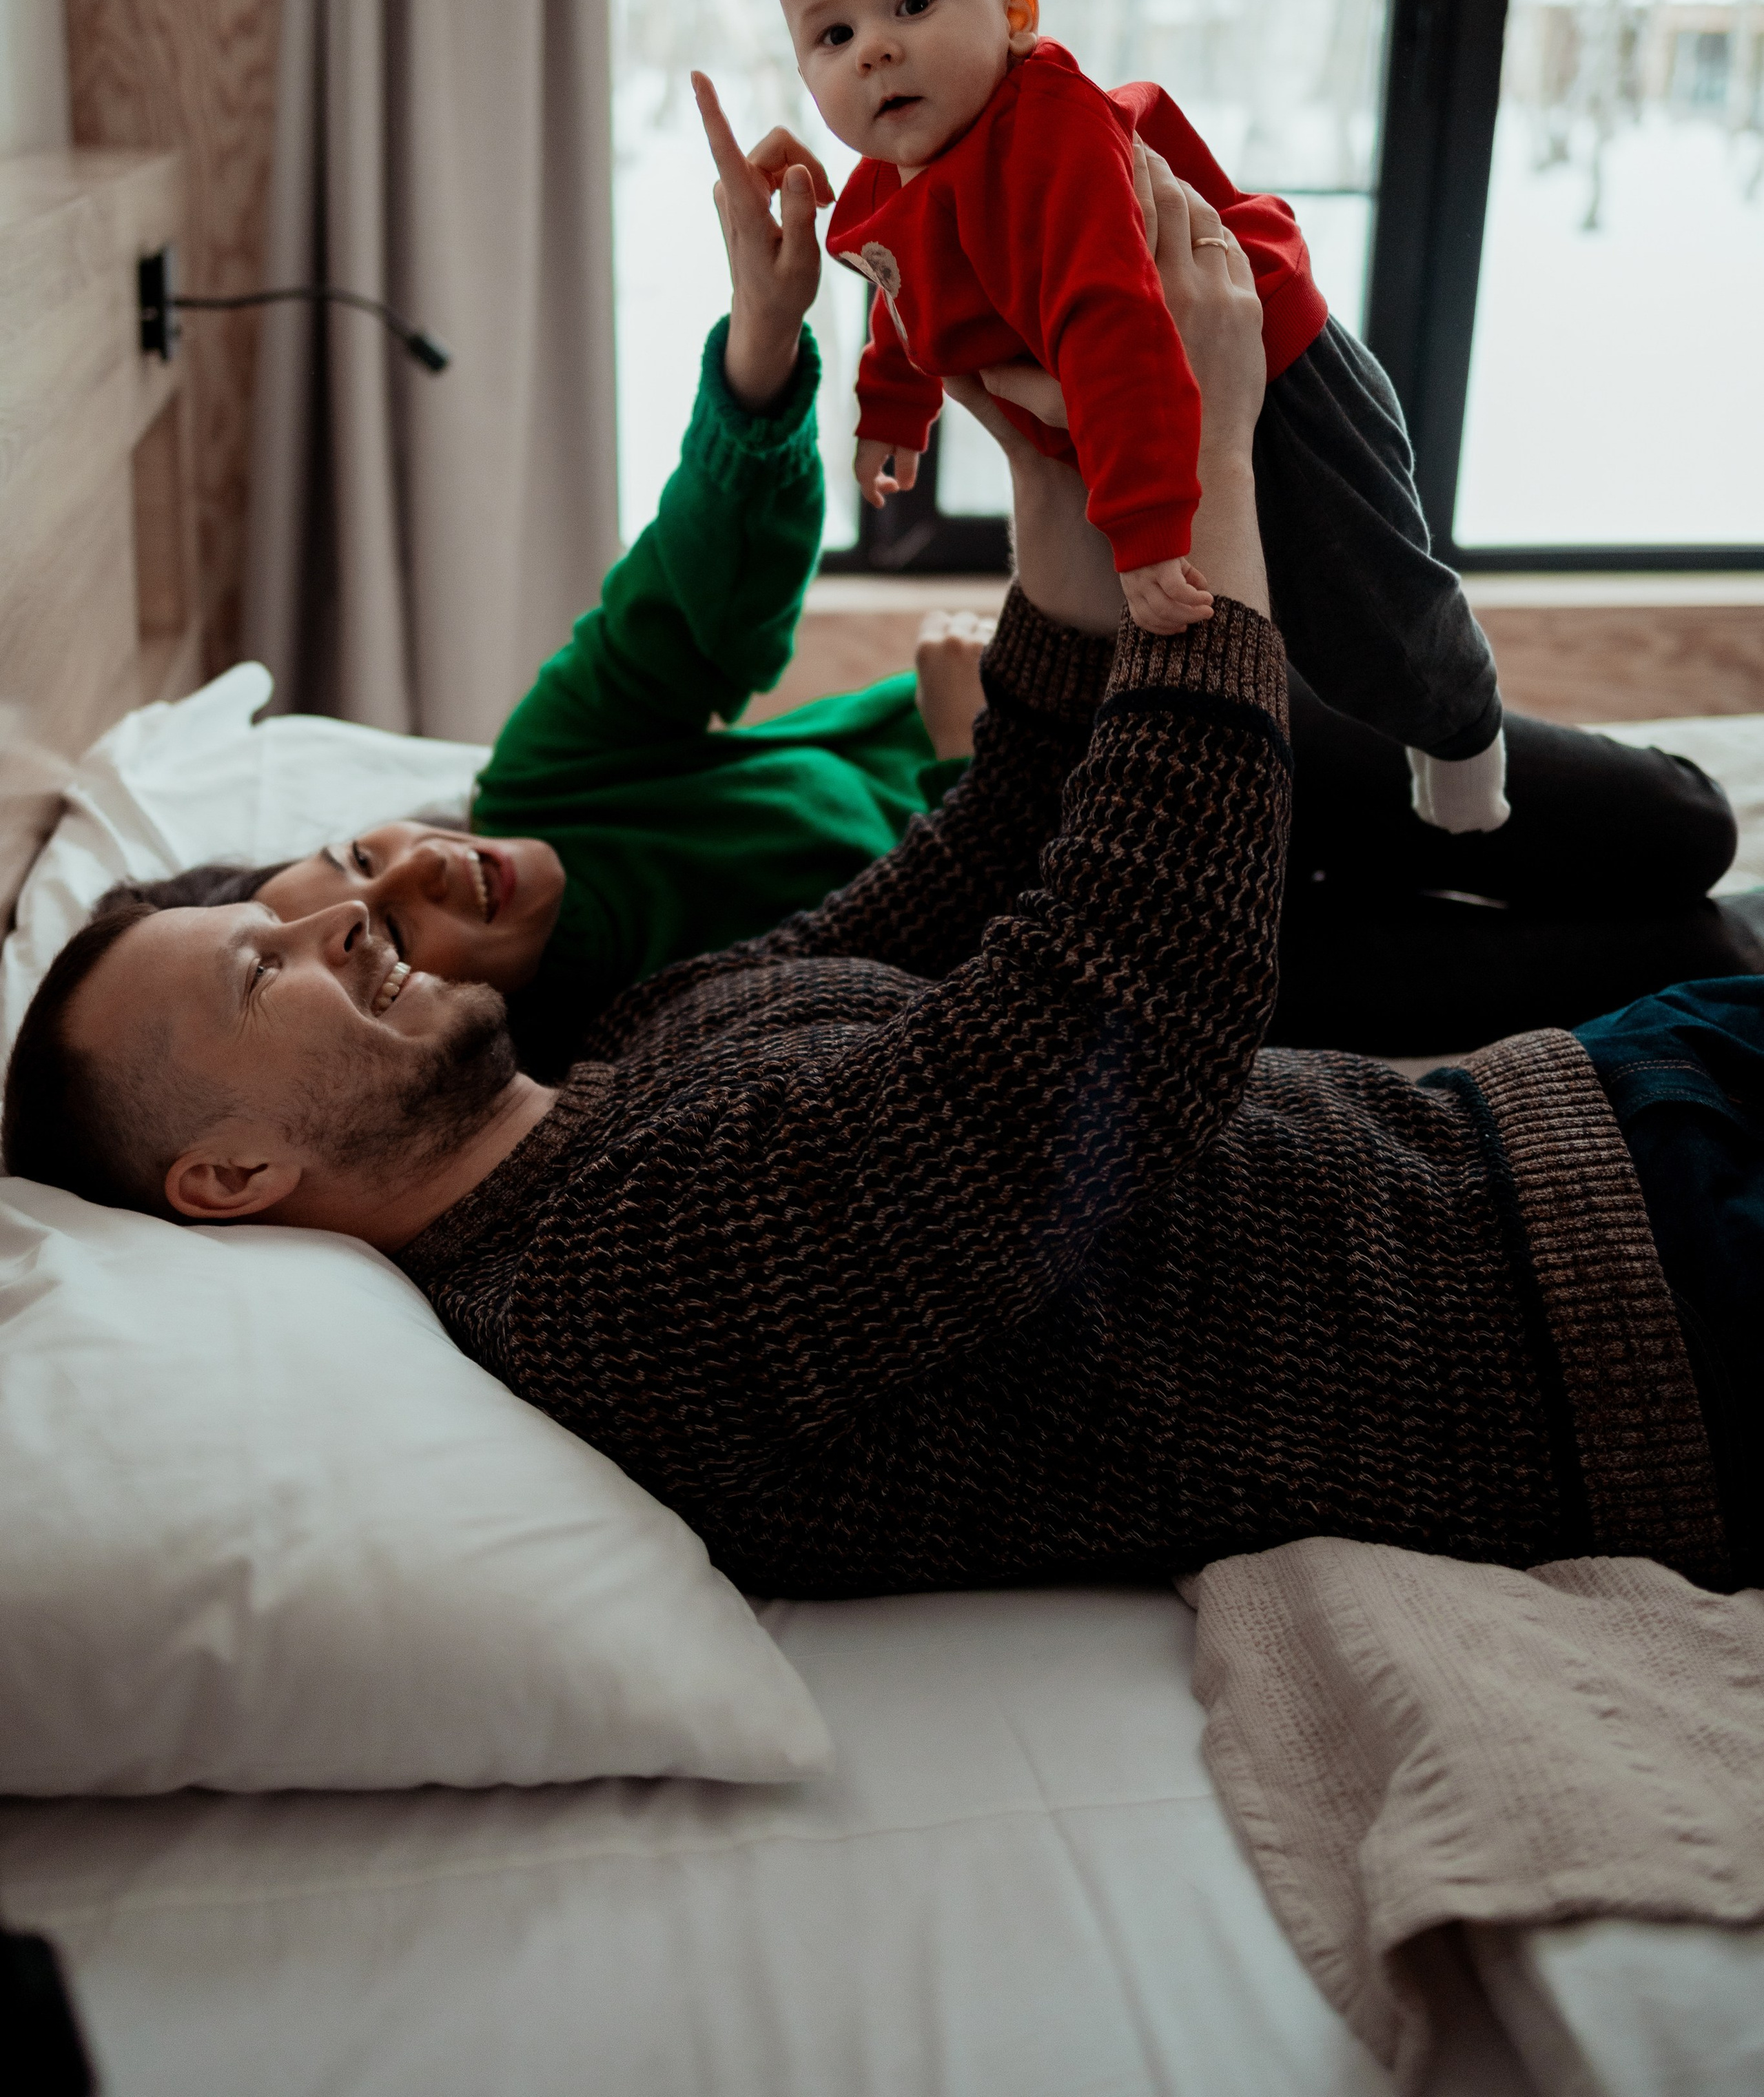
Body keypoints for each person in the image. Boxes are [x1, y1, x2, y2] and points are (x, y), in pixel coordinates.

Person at [5, 161, 1756, 1600]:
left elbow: (980, 858)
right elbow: (1125, 1010)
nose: (335, 918)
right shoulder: (616, 1297)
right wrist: (1202, 476)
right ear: (228, 1175)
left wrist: (1056, 489)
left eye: (302, 903)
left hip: (1575, 1120)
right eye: (262, 970)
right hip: (1641, 1297)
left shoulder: (621, 1057)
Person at [101, 103, 1751, 1065]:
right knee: (1683, 960)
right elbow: (966, 1009)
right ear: (418, 1011)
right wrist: (977, 754)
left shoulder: (546, 779)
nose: (424, 869)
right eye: (394, 933)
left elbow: (706, 587)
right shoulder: (652, 1036)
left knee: (1674, 826)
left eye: (365, 856)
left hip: (1140, 703)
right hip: (1150, 920)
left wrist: (766, 339)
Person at [775, 0, 1506, 830]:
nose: (874, 49)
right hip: (1146, 408)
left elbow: (1114, 326)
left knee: (1366, 614)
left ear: (1016, 13)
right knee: (1272, 630)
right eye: (834, 33)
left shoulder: (1051, 135)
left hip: (1282, 375)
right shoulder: (887, 183)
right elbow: (904, 294)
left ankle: (1468, 736)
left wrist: (1152, 529)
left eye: (912, 4)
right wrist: (893, 410)